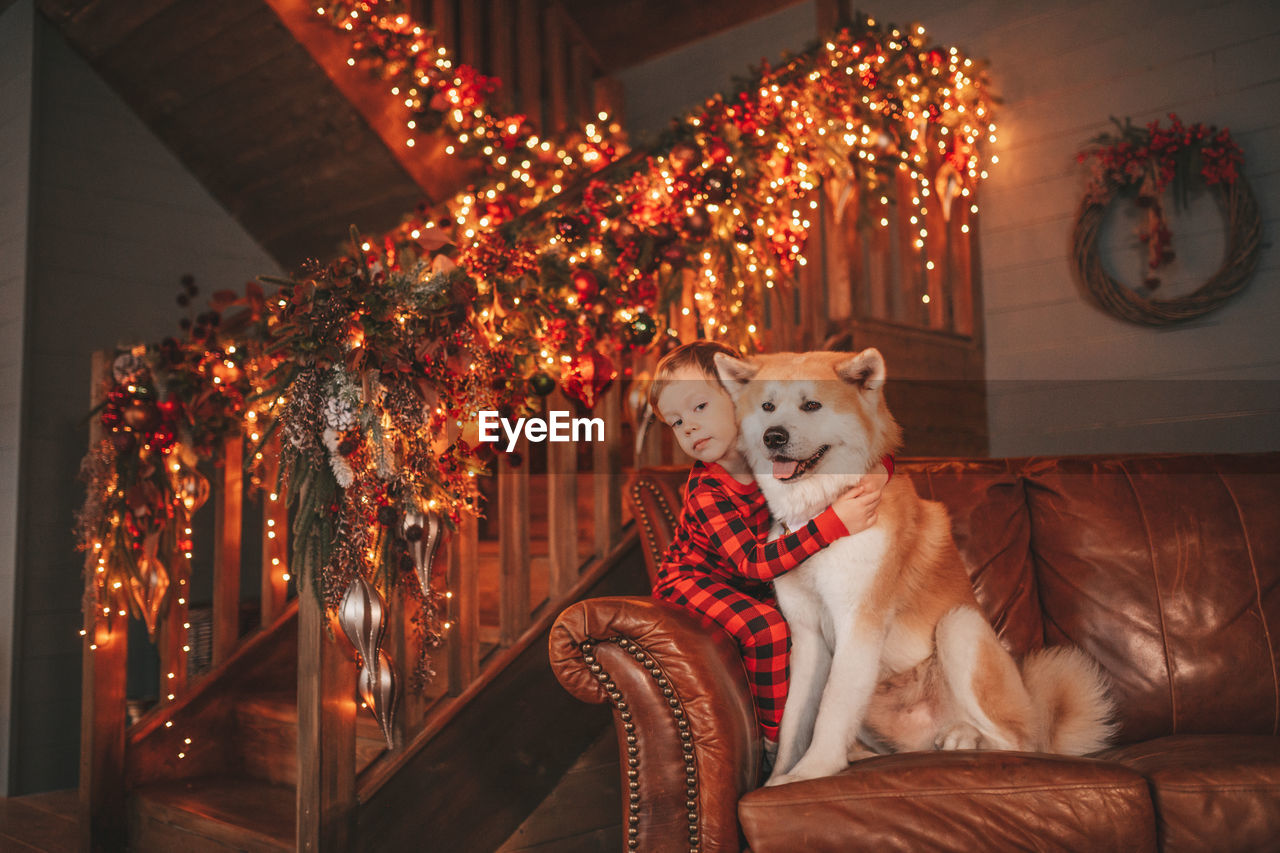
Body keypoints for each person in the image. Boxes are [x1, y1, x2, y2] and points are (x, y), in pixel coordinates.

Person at [648, 340, 892, 750]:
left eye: (699, 408)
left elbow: (877, 453)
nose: (688, 427)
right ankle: (775, 741)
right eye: (675, 422)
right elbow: (753, 564)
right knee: (767, 629)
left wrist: (880, 476)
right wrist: (833, 524)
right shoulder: (708, 489)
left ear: (739, 397)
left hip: (747, 577)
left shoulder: (772, 458)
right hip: (692, 581)